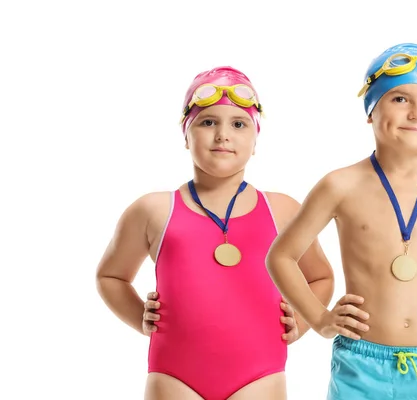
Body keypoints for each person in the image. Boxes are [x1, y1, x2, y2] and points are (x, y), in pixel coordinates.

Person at [265, 43, 417, 399]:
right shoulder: (340, 184)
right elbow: (281, 256)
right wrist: (320, 319)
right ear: (370, 111)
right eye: (399, 99)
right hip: (361, 363)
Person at [95, 66, 335, 400]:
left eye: (239, 124)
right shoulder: (152, 210)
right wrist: (140, 320)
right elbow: (111, 276)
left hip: (259, 376)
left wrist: (300, 320)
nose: (223, 134)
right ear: (186, 135)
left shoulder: (282, 210)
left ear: (255, 141)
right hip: (174, 376)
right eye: (208, 122)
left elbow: (320, 277)